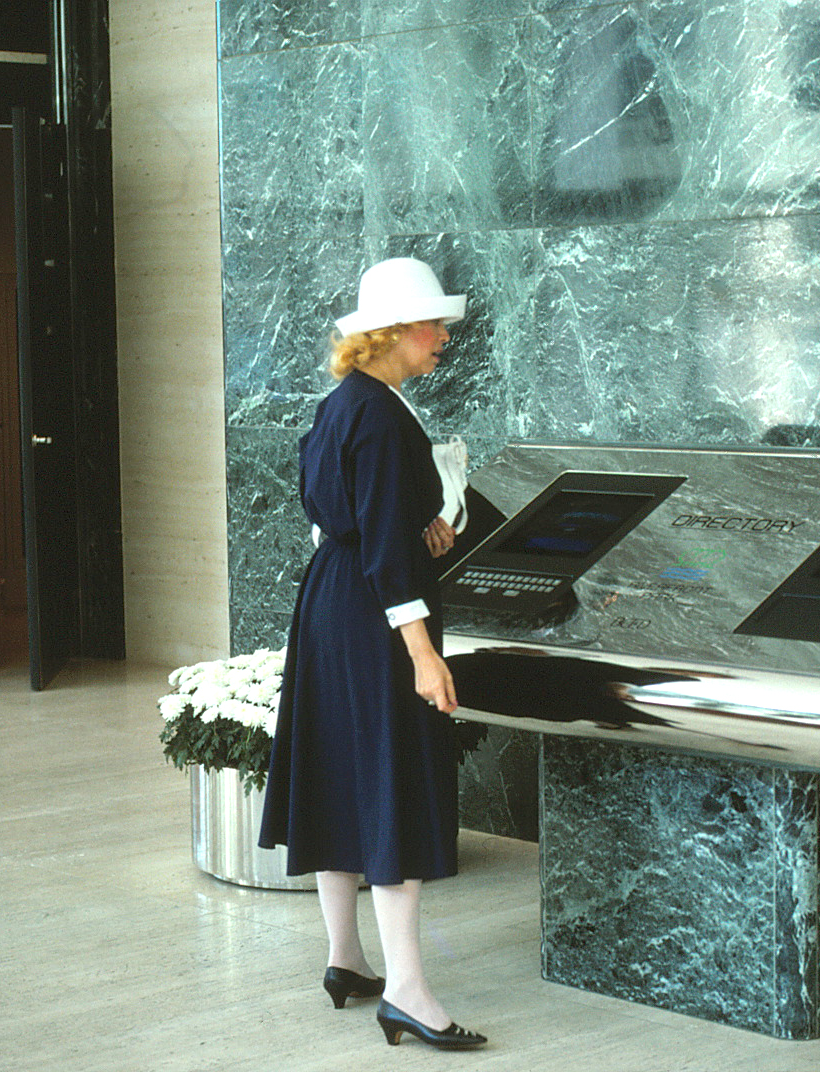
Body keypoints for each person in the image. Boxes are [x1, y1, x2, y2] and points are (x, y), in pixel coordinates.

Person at [258, 258, 486, 1051]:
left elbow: (335, 514)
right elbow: (386, 553)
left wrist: (416, 521)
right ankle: (409, 993)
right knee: (391, 784)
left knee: (341, 777)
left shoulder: (344, 404)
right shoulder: (386, 418)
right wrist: (423, 653)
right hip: (375, 616)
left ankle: (346, 958)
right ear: (391, 334)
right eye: (433, 326)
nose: (444, 340)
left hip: (329, 606)